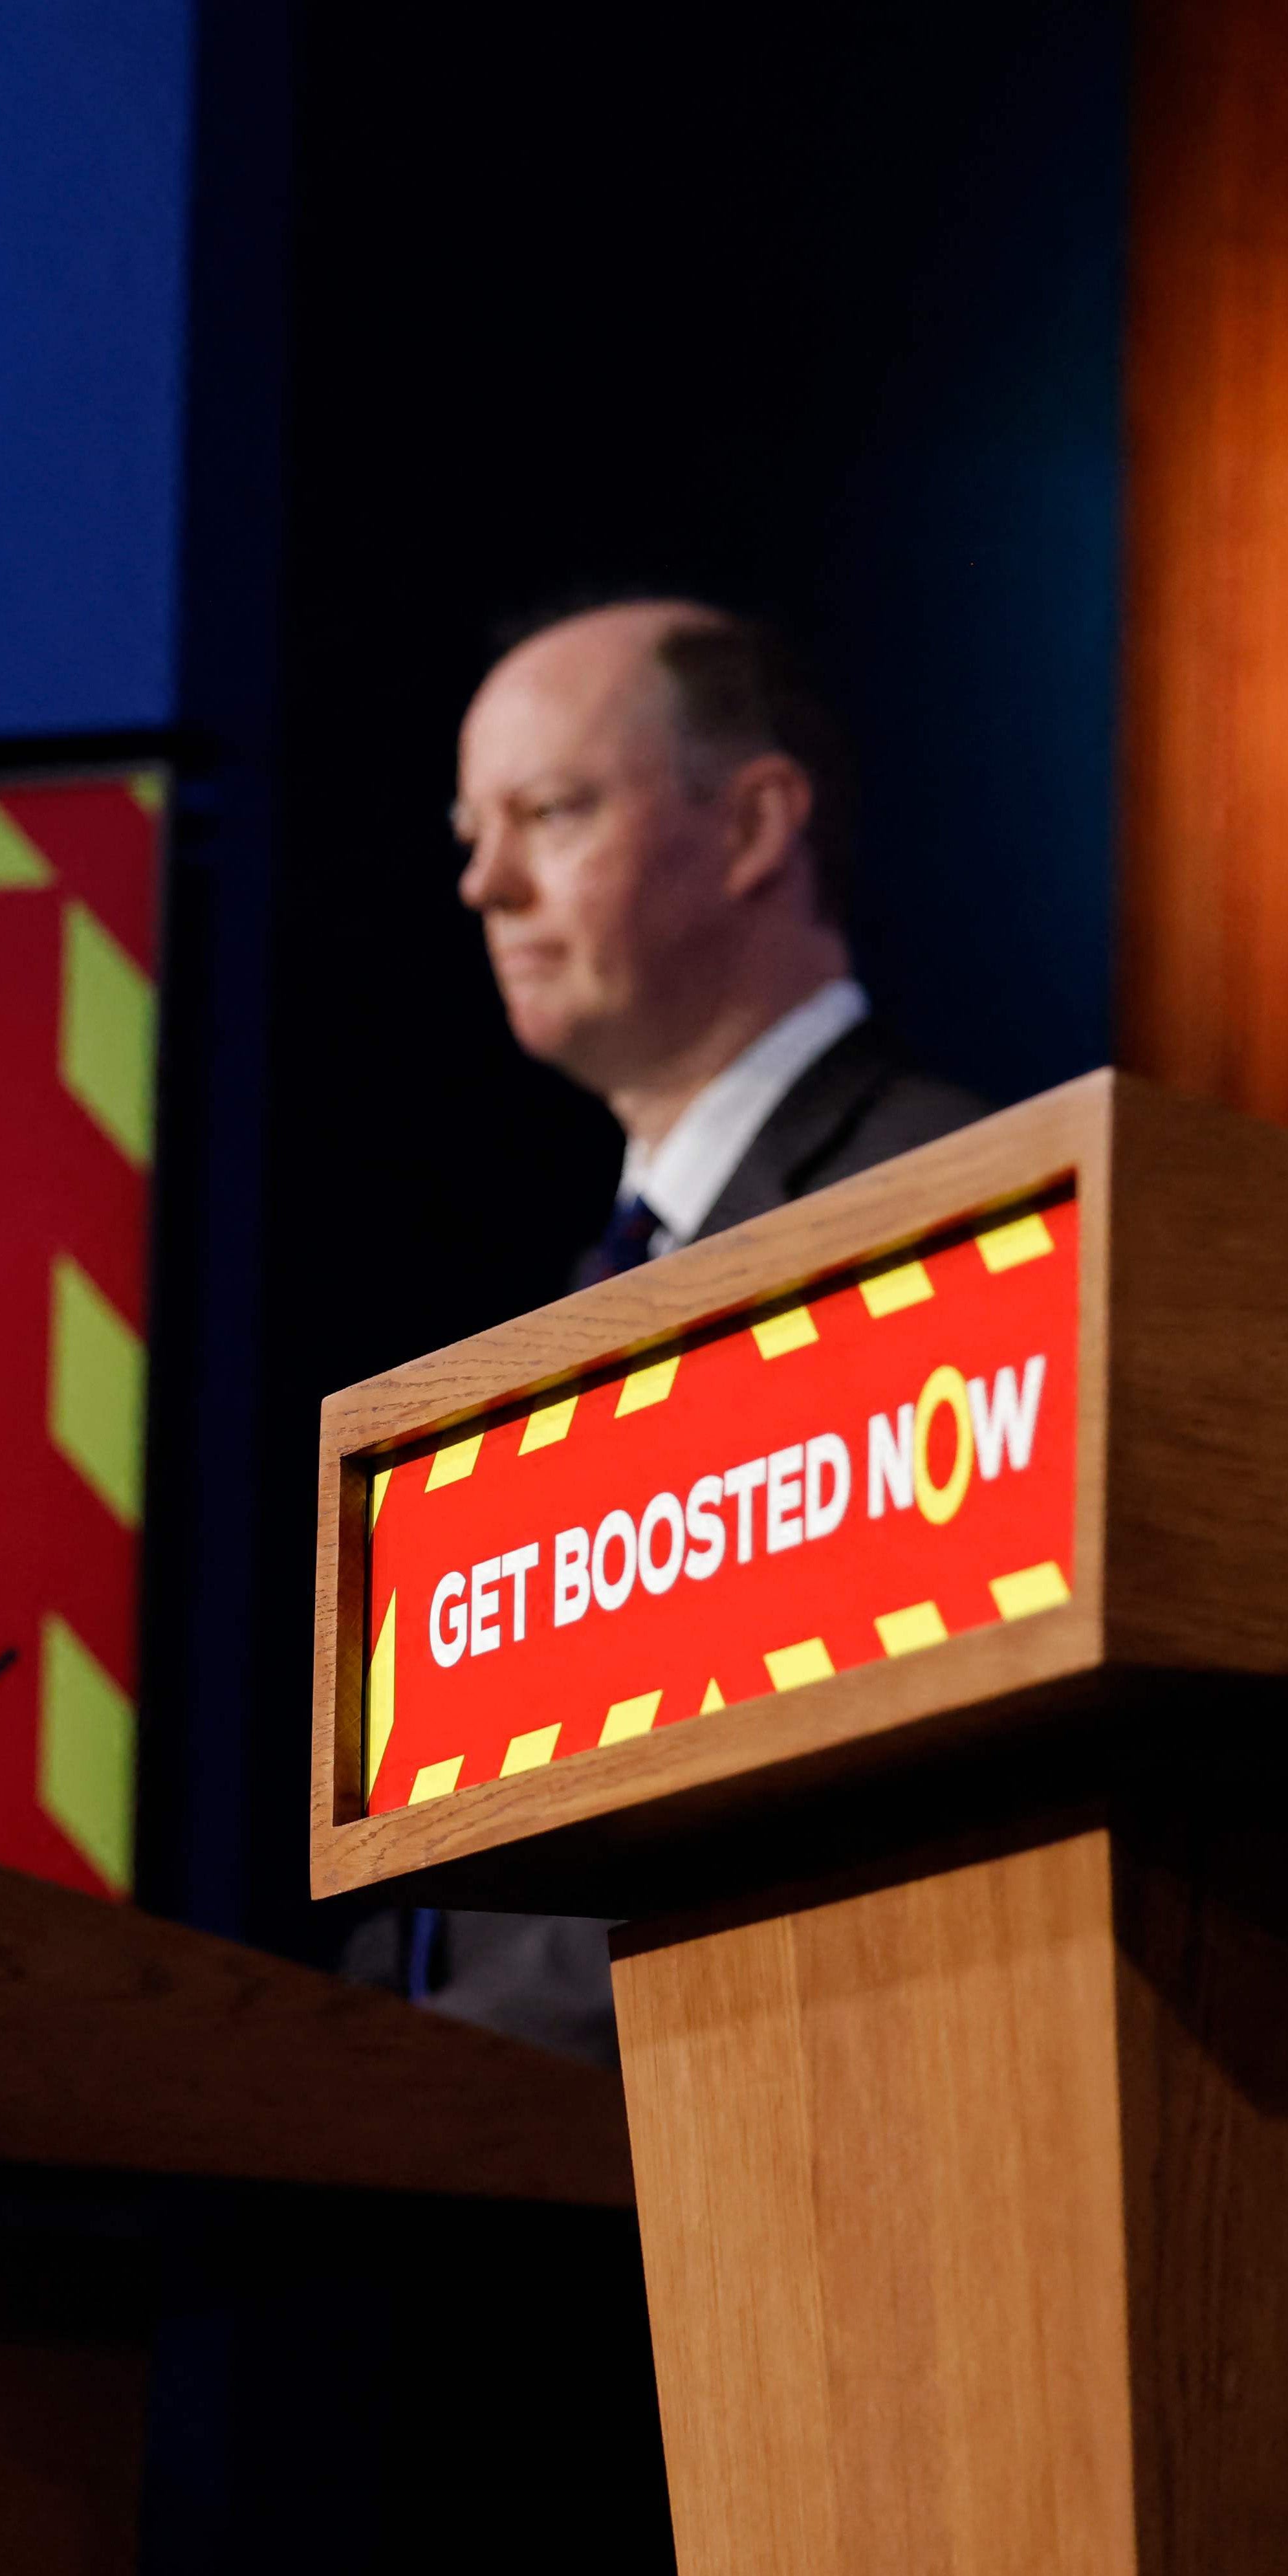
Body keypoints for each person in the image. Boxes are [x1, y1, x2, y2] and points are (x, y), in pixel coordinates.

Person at [347, 596, 990, 2062]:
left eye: (549, 814)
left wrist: (450, 2070)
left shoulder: (950, 1218)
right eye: (471, 830)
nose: (485, 883)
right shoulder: (591, 1293)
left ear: (756, 825)